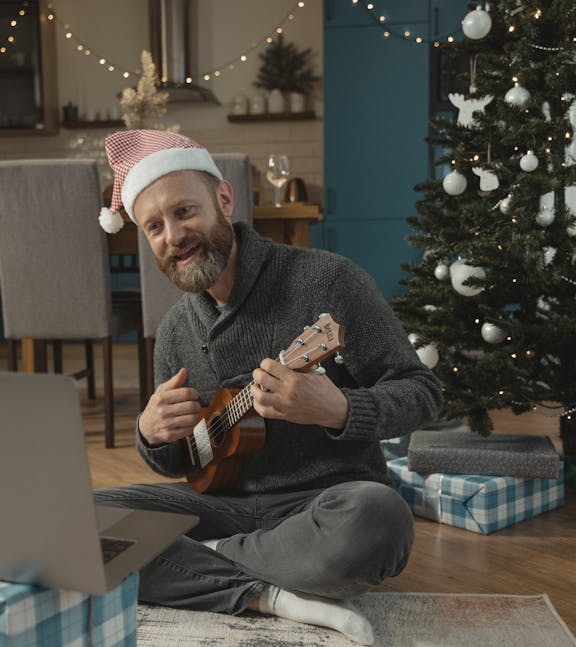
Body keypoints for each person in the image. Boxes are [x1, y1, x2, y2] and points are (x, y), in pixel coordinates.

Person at [94, 130, 443, 645]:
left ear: (224, 199)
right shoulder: (173, 331)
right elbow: (186, 464)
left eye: (185, 211)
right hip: (225, 508)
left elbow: (425, 392)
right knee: (84, 519)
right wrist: (151, 434)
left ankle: (199, 566)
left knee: (381, 519)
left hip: (325, 507)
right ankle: (270, 594)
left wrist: (341, 409)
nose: (173, 235)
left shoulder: (326, 281)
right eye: (154, 226)